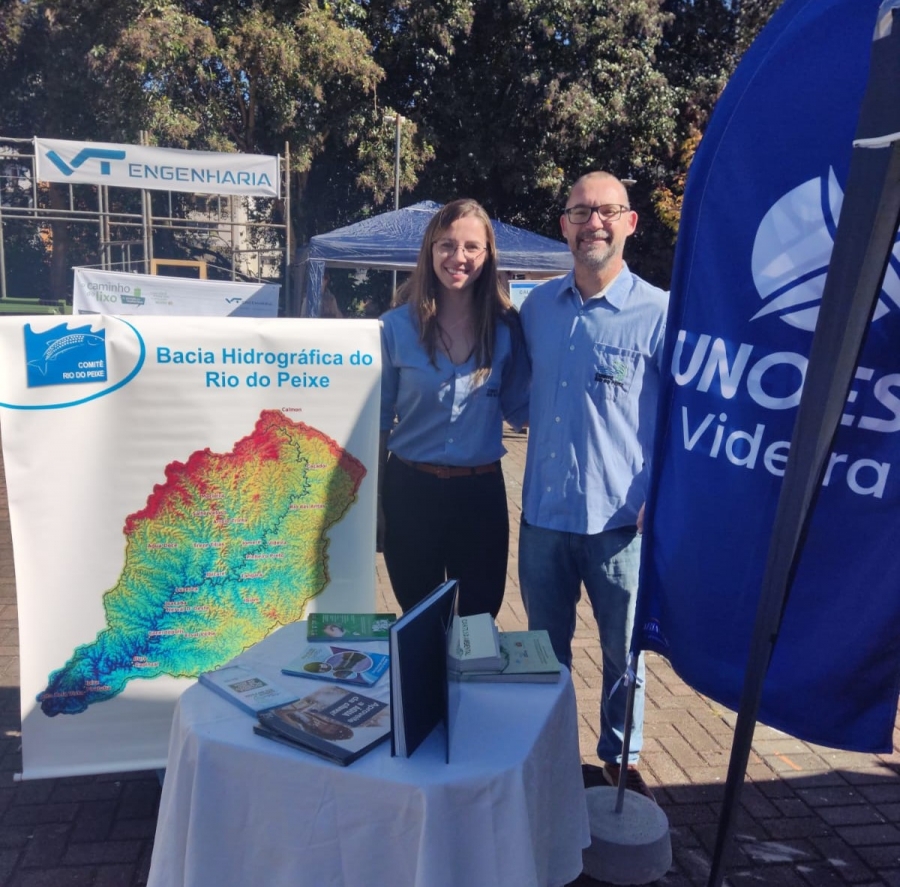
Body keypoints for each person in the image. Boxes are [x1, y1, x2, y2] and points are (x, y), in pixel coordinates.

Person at [517, 172, 668, 800]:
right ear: (564, 227)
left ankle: (619, 761)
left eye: (606, 211)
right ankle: (550, 758)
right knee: (543, 656)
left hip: (619, 524)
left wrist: (659, 497)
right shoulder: (537, 310)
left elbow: (683, 419)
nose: (592, 224)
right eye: (580, 213)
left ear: (630, 222)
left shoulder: (660, 313)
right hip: (544, 518)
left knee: (623, 659)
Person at [379, 199, 529, 618]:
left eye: (471, 247)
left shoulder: (507, 330)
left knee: (479, 621)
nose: (457, 257)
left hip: (479, 497)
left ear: (488, 255)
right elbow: (377, 420)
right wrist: (373, 504)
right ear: (430, 251)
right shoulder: (395, 328)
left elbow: (523, 408)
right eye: (446, 245)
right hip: (410, 491)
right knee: (420, 621)